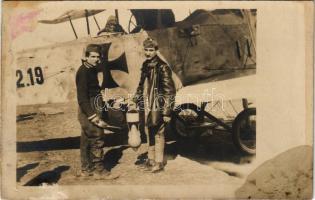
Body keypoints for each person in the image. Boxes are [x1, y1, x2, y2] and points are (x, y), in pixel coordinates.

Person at [133, 38, 176, 173]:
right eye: (146, 50)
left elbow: (170, 91)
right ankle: (150, 160)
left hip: (157, 105)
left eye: (151, 50)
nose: (148, 53)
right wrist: (135, 98)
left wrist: (167, 112)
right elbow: (141, 85)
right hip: (146, 104)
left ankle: (159, 163)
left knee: (158, 133)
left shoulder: (162, 67)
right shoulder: (146, 65)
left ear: (156, 51)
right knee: (148, 132)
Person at [76, 44, 118, 179]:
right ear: (86, 57)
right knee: (97, 136)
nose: (95, 59)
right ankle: (99, 170)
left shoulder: (91, 69)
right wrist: (92, 115)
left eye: (97, 57)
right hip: (89, 107)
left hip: (93, 104)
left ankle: (86, 169)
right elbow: (82, 97)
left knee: (86, 138)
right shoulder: (83, 71)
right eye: (92, 57)